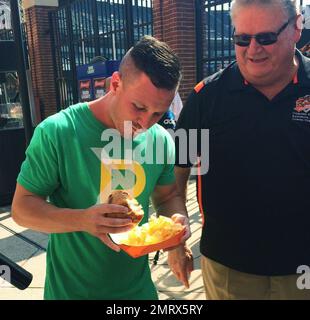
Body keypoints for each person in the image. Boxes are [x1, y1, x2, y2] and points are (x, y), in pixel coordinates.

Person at [12, 36, 193, 300]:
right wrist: (83, 220)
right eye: (139, 107)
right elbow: (21, 209)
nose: (145, 122)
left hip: (139, 293)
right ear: (115, 83)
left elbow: (168, 197)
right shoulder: (59, 131)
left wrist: (175, 232)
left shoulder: (160, 139)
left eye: (158, 114)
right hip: (71, 293)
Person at [175, 0, 310, 300]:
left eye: (266, 38)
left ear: (297, 27)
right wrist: (176, 237)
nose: (252, 50)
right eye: (241, 39)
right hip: (229, 270)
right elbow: (176, 172)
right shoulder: (205, 98)